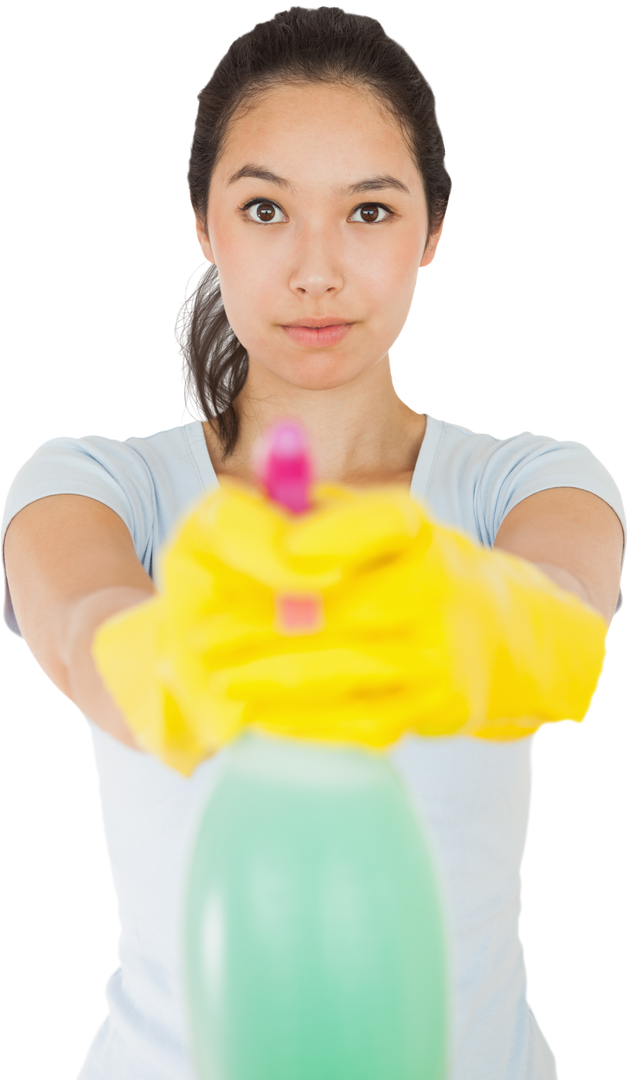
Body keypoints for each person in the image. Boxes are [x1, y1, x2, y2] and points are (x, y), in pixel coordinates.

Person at [0, 5, 625, 1079]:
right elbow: (82, 620)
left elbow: (565, 599)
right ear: (203, 223)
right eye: (264, 208)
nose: (317, 270)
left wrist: (454, 611)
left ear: (434, 231)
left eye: (370, 212)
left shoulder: (528, 478)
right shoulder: (101, 482)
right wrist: (171, 653)